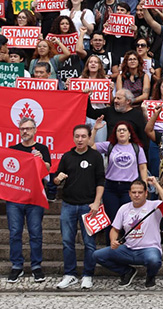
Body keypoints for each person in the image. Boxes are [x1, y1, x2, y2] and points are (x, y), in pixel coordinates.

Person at [54, 124, 105, 290]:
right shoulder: (67, 156)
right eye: (77, 136)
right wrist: (57, 179)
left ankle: (88, 275)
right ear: (73, 137)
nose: (80, 139)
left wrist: (97, 202)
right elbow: (56, 179)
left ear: (89, 137)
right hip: (68, 205)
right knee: (67, 242)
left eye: (84, 136)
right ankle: (69, 274)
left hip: (88, 206)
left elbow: (100, 182)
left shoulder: (96, 156)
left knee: (89, 243)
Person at [94, 177, 163, 288]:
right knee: (98, 255)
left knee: (154, 260)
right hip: (128, 249)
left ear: (146, 193)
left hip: (149, 249)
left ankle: (151, 276)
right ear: (129, 194)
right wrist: (113, 240)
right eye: (134, 192)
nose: (137, 195)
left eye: (140, 192)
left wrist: (156, 185)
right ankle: (127, 271)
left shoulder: (154, 206)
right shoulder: (124, 208)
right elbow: (115, 229)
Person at [6, 117, 51, 283]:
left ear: (35, 130)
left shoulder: (42, 149)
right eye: (22, 129)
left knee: (36, 233)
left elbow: (47, 171)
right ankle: (16, 266)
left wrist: (40, 160)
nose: (25, 131)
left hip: (35, 197)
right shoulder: (12, 149)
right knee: (15, 233)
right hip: (15, 198)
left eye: (28, 128)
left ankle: (36, 266)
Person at [89, 119, 148, 240]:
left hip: (130, 188)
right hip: (111, 188)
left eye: (124, 130)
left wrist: (144, 186)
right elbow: (90, 146)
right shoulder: (109, 146)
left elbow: (142, 168)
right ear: (115, 133)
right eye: (118, 130)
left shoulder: (137, 148)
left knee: (128, 220)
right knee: (112, 220)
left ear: (129, 133)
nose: (121, 132)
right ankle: (110, 248)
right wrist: (95, 130)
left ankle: (127, 248)